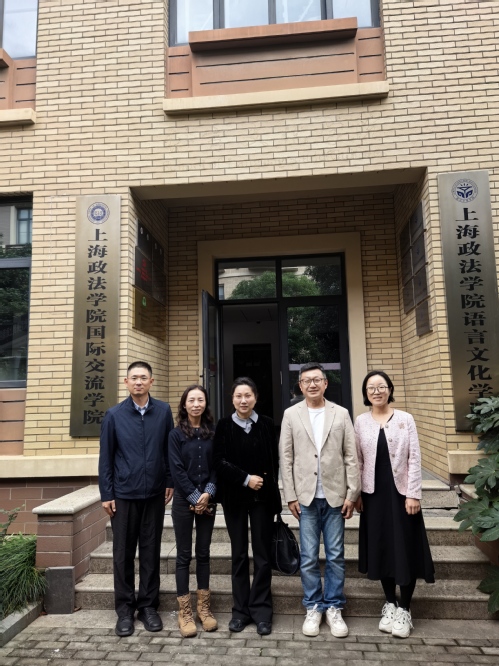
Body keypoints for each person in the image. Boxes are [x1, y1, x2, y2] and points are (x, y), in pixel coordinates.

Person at [279, 362, 360, 638]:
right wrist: (290, 495)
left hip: (336, 496)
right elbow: (286, 457)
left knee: (335, 555)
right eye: (306, 381)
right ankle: (313, 605)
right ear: (300, 386)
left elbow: (351, 456)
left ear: (325, 383)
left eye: (317, 380)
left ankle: (334, 606)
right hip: (306, 497)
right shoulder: (291, 414)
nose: (312, 384)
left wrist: (352, 493)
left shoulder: (341, 413)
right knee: (309, 556)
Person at [354, 370, 435, 639]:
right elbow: (358, 461)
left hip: (402, 495)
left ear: (389, 389)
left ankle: (405, 608)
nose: (376, 391)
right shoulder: (360, 421)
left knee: (404, 547)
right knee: (382, 548)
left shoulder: (405, 419)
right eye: (371, 388)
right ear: (365, 393)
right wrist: (357, 494)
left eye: (381, 386)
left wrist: (414, 494)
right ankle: (390, 602)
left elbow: (415, 457)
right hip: (373, 495)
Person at [98, 361, 174, 637]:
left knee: (151, 552)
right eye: (134, 378)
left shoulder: (163, 411)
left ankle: (148, 606)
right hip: (123, 495)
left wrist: (169, 481)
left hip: (154, 494)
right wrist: (107, 493)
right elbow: (106, 457)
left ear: (151, 381)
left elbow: (168, 450)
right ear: (126, 382)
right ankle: (125, 610)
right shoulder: (114, 415)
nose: (139, 382)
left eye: (143, 378)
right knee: (123, 554)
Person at [213, 377, 281, 636]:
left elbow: (274, 463)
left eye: (248, 395)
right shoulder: (223, 426)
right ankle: (240, 611)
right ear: (232, 399)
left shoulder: (266, 424)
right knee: (239, 555)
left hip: (262, 500)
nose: (243, 400)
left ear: (255, 397)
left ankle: (262, 611)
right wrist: (245, 479)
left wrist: (273, 496)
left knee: (262, 556)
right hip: (234, 499)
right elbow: (218, 461)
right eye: (238, 396)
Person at [168, 384, 218, 637]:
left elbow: (217, 466)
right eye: (191, 400)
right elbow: (176, 470)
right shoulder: (175, 435)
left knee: (204, 553)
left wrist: (208, 493)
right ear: (184, 405)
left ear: (205, 404)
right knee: (184, 555)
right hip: (183, 501)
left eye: (200, 400)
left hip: (209, 500)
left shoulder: (213, 433)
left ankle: (204, 609)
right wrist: (196, 497)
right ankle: (185, 612)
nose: (196, 404)